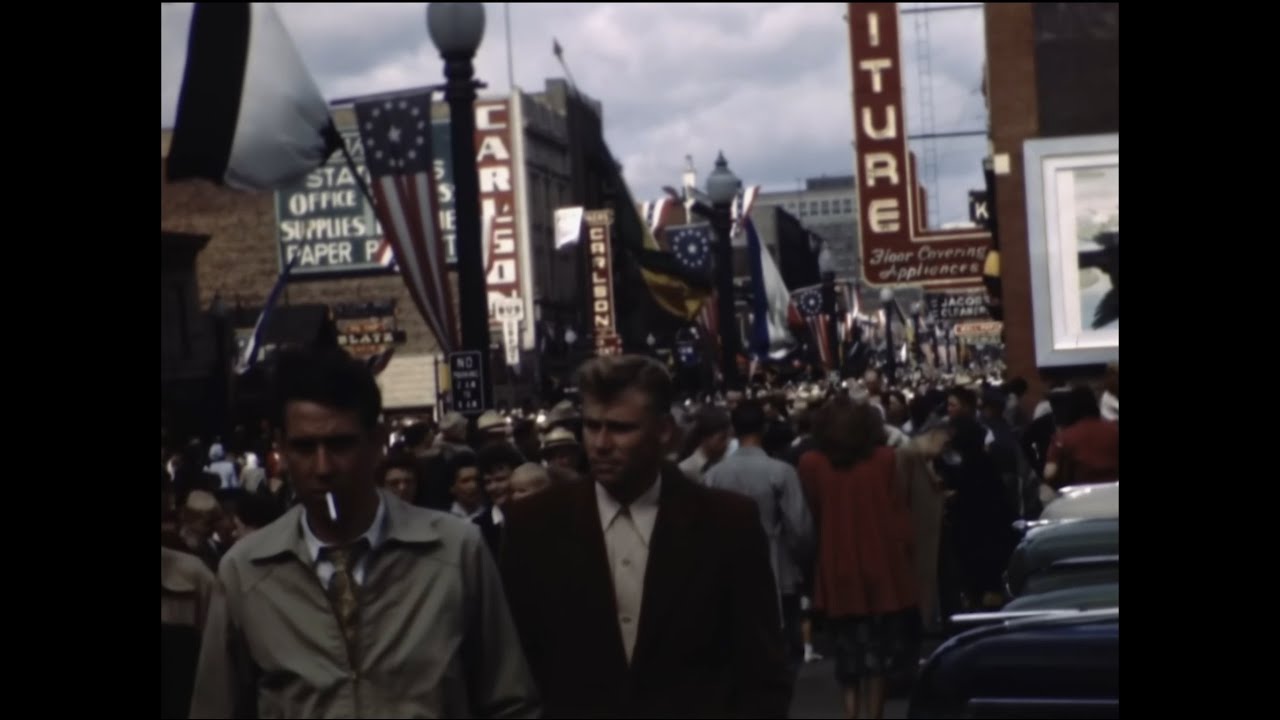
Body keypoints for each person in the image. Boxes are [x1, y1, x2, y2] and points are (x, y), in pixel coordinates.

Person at [189, 347, 539, 718]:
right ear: (281, 447)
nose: (322, 467)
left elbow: (509, 700)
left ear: (376, 441)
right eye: (305, 447)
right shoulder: (247, 572)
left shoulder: (454, 552)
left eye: (340, 445)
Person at [500, 355, 792, 718]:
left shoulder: (728, 523)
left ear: (664, 431)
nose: (601, 444)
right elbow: (515, 666)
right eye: (592, 426)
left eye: (621, 428)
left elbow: (761, 667)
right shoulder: (534, 524)